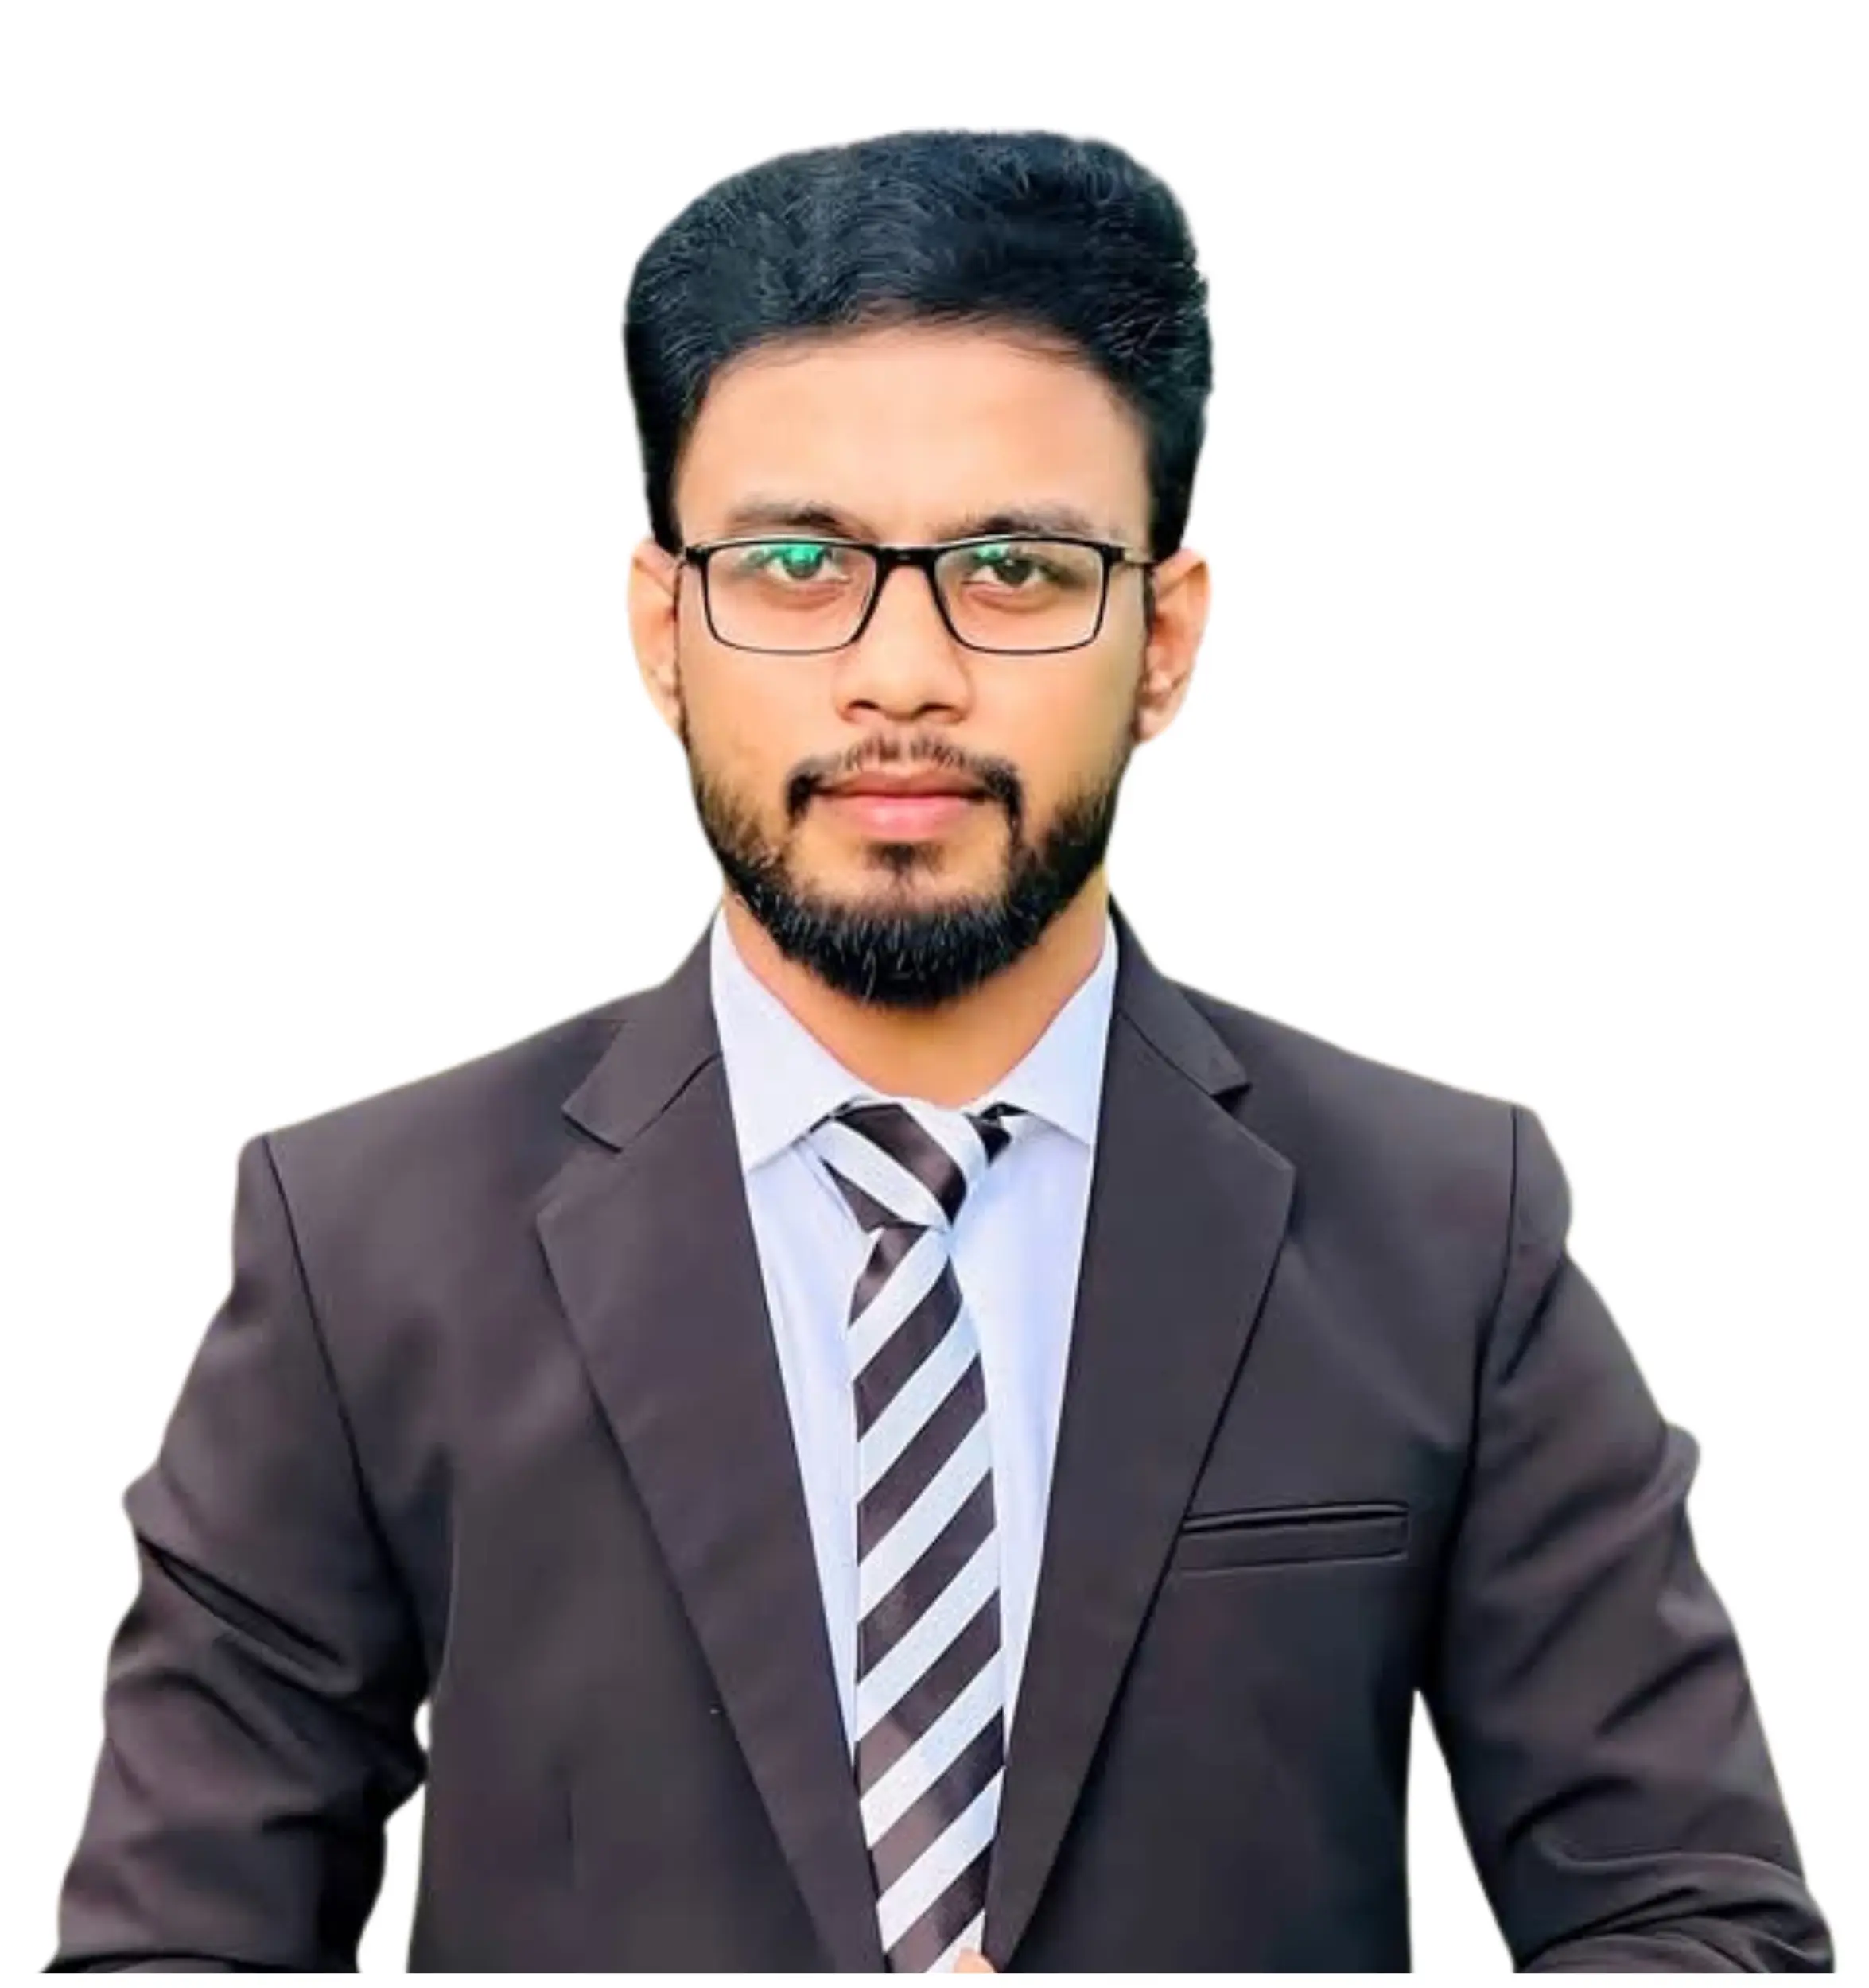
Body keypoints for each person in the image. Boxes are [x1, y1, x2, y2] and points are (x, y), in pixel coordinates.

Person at [49, 127, 1831, 1974]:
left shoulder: (1446, 1238)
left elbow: (1698, 1926)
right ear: (664, 630)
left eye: (1014, 566)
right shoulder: (366, 1250)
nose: (901, 672)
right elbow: (167, 1954)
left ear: (1162, 637)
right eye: (793, 561)